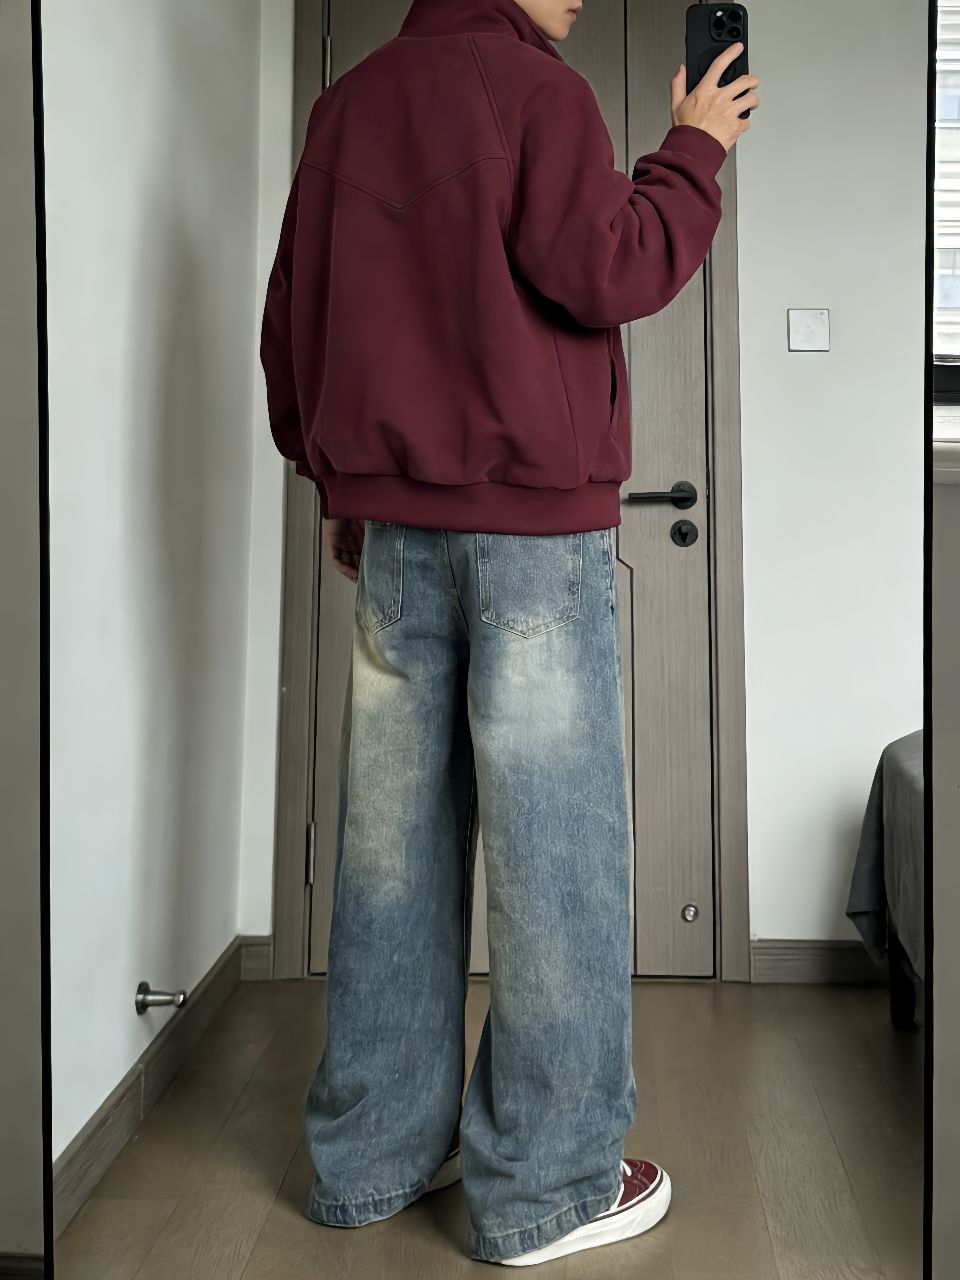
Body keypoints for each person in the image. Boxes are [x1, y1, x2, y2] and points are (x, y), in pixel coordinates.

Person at [260, 0, 758, 1265]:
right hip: (533, 535)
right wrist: (694, 150)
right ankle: (549, 1183)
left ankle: (372, 1154)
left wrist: (344, 485)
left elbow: (296, 315)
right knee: (555, 859)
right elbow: (611, 268)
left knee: (390, 851)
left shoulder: (349, 104)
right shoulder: (540, 94)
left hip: (395, 531)